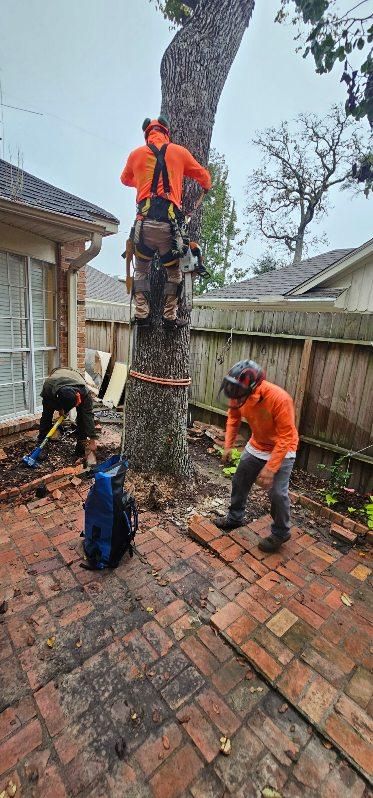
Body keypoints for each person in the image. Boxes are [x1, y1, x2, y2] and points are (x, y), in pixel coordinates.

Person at [120, 115, 211, 330]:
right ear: (166, 131)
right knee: (174, 273)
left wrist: (141, 182)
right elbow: (204, 177)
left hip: (144, 227)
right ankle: (170, 318)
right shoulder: (179, 153)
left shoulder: (136, 155)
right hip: (170, 229)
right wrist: (205, 186)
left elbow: (124, 179)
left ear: (146, 134)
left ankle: (143, 315)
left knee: (141, 270)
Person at [215, 359, 299, 553]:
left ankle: (281, 532)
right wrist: (228, 446)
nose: (233, 394)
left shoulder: (280, 398)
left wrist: (271, 467)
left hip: (283, 447)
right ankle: (235, 518)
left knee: (277, 493)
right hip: (257, 444)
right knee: (240, 480)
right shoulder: (239, 394)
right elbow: (234, 419)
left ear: (252, 387)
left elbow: (286, 437)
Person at [37, 367, 98, 465]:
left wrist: (92, 440)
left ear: (78, 396)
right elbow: (47, 413)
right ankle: (41, 444)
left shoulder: (84, 392)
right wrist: (61, 409)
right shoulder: (48, 388)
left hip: (75, 376)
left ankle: (81, 444)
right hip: (55, 379)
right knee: (46, 416)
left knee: (83, 417)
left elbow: (88, 416)